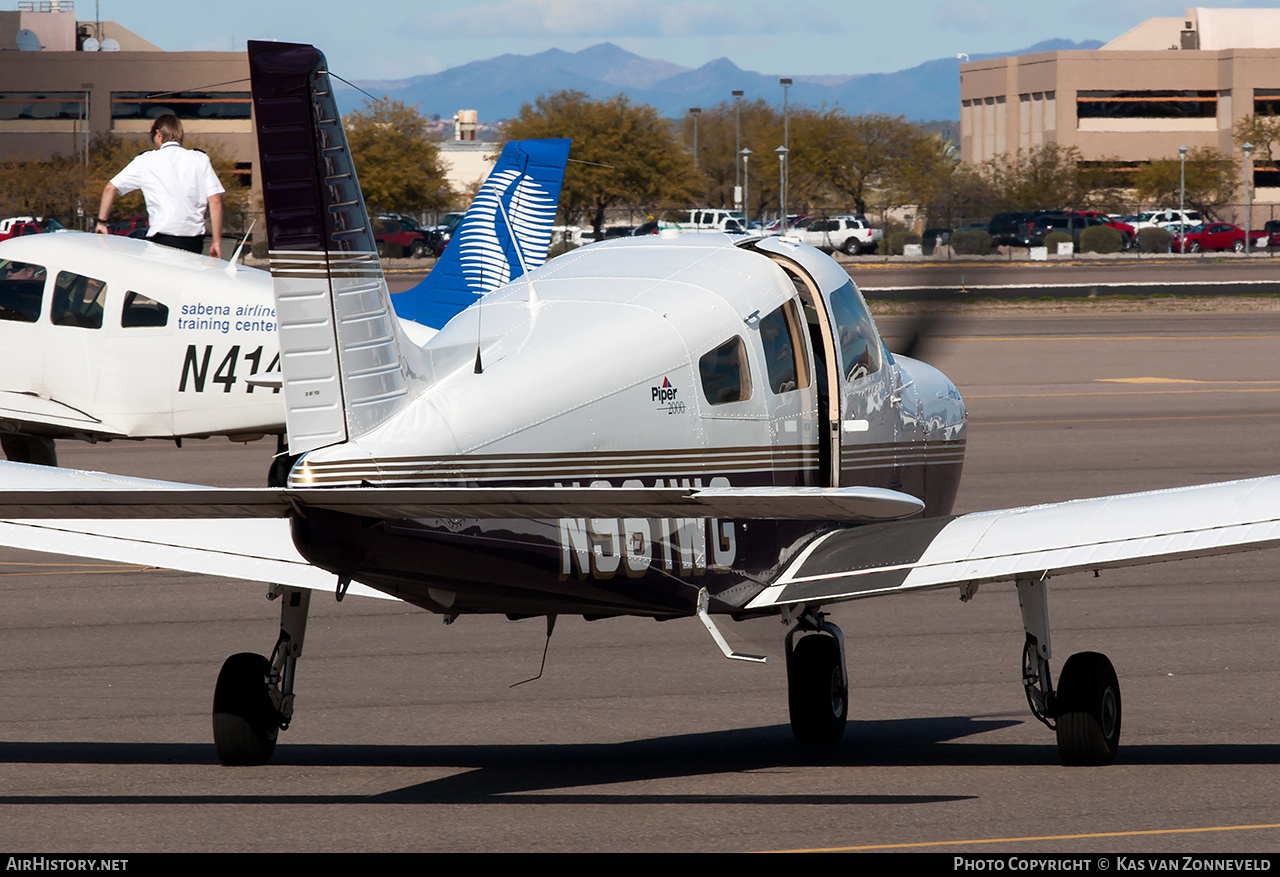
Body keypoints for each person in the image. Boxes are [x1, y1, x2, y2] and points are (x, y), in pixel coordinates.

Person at [96, 114, 224, 258]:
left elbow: (110, 188)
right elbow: (215, 201)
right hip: (194, 242)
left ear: (158, 134)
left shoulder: (146, 160)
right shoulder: (200, 159)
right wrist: (216, 242)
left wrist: (102, 222)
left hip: (162, 240)